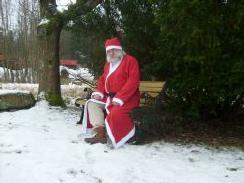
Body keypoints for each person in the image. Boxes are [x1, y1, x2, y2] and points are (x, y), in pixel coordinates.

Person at [81, 37, 140, 148]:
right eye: (109, 51)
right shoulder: (108, 65)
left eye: (114, 50)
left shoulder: (130, 61)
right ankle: (100, 133)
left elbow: (133, 81)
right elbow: (103, 79)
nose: (111, 53)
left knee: (115, 114)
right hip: (110, 98)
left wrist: (120, 98)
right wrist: (99, 92)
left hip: (128, 98)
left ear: (120, 50)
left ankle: (125, 135)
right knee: (92, 103)